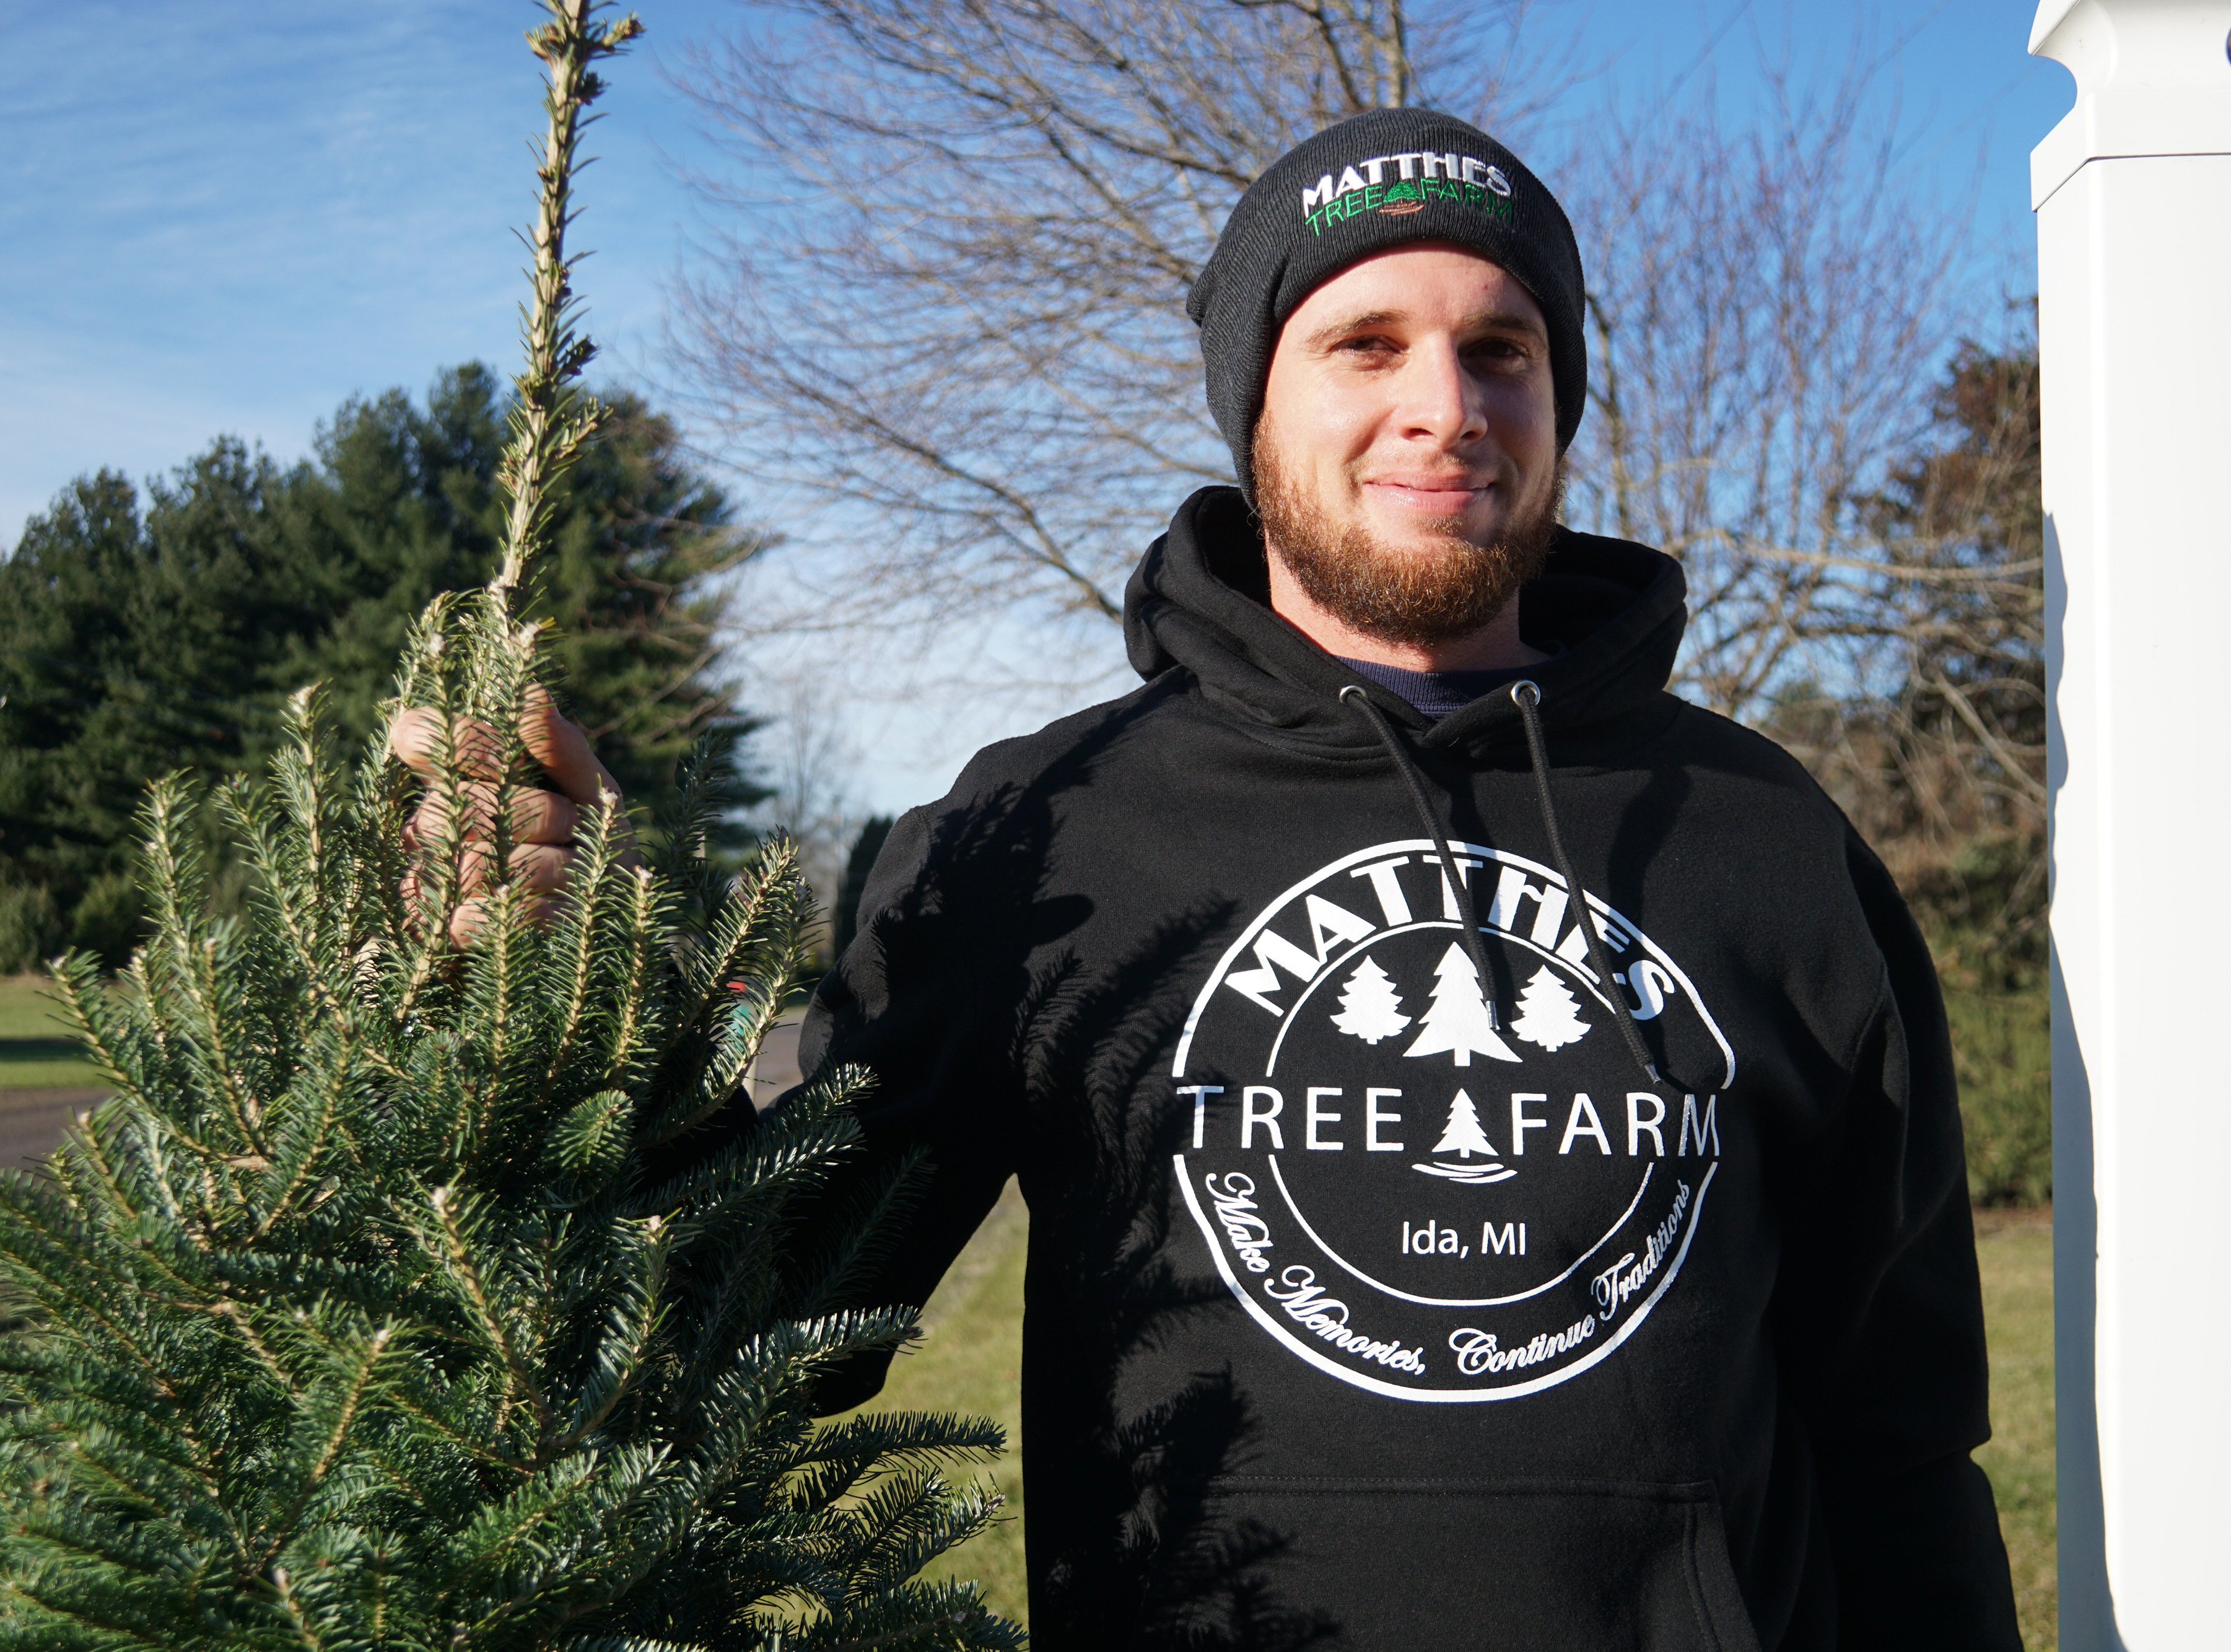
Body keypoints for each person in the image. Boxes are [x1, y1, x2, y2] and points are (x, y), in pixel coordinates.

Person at [406, 109, 2024, 1650]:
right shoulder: (1049, 830)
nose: (1446, 404)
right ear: (1254, 406)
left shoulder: (1764, 837)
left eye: (1502, 349)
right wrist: (581, 988)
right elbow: (758, 1322)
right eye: (1364, 343)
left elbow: (1899, 1452)